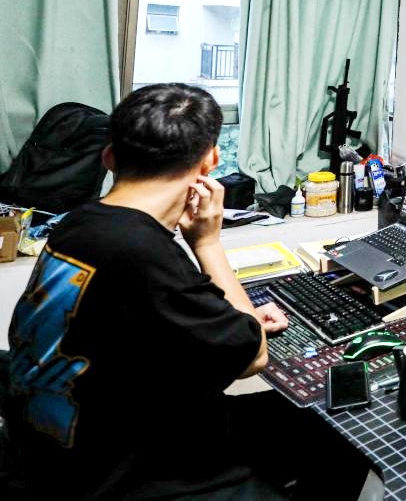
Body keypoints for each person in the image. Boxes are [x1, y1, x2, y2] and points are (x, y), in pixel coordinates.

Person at [2, 83, 365, 499]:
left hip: (53, 448)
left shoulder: (79, 223)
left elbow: (140, 321)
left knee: (308, 414)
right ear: (210, 161)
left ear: (109, 157)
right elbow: (253, 357)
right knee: (344, 422)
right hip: (120, 473)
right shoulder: (142, 252)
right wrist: (206, 243)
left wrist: (228, 321)